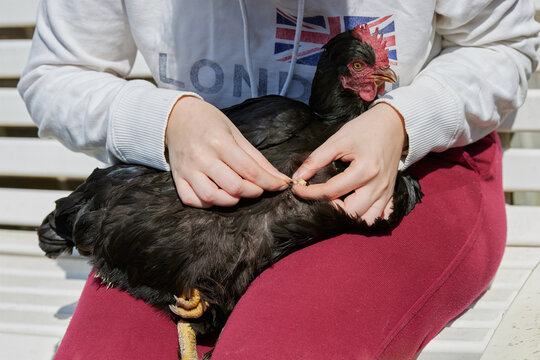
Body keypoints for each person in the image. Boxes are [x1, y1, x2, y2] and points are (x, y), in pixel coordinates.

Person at [18, 0, 539, 359]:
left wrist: (403, 120)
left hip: (414, 165)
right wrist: (163, 121)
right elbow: (55, 74)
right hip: (205, 193)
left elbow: (505, 45)